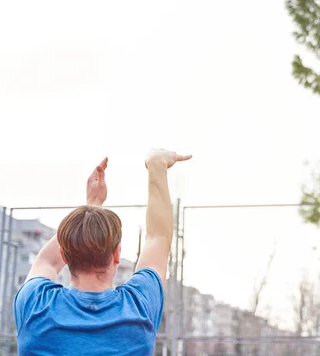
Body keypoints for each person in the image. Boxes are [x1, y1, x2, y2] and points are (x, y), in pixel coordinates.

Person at [13, 149, 192, 355]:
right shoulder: (138, 306)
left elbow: (46, 262)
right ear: (116, 254)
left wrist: (92, 206)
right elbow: (158, 237)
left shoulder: (34, 304)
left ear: (64, 255)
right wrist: (157, 165)